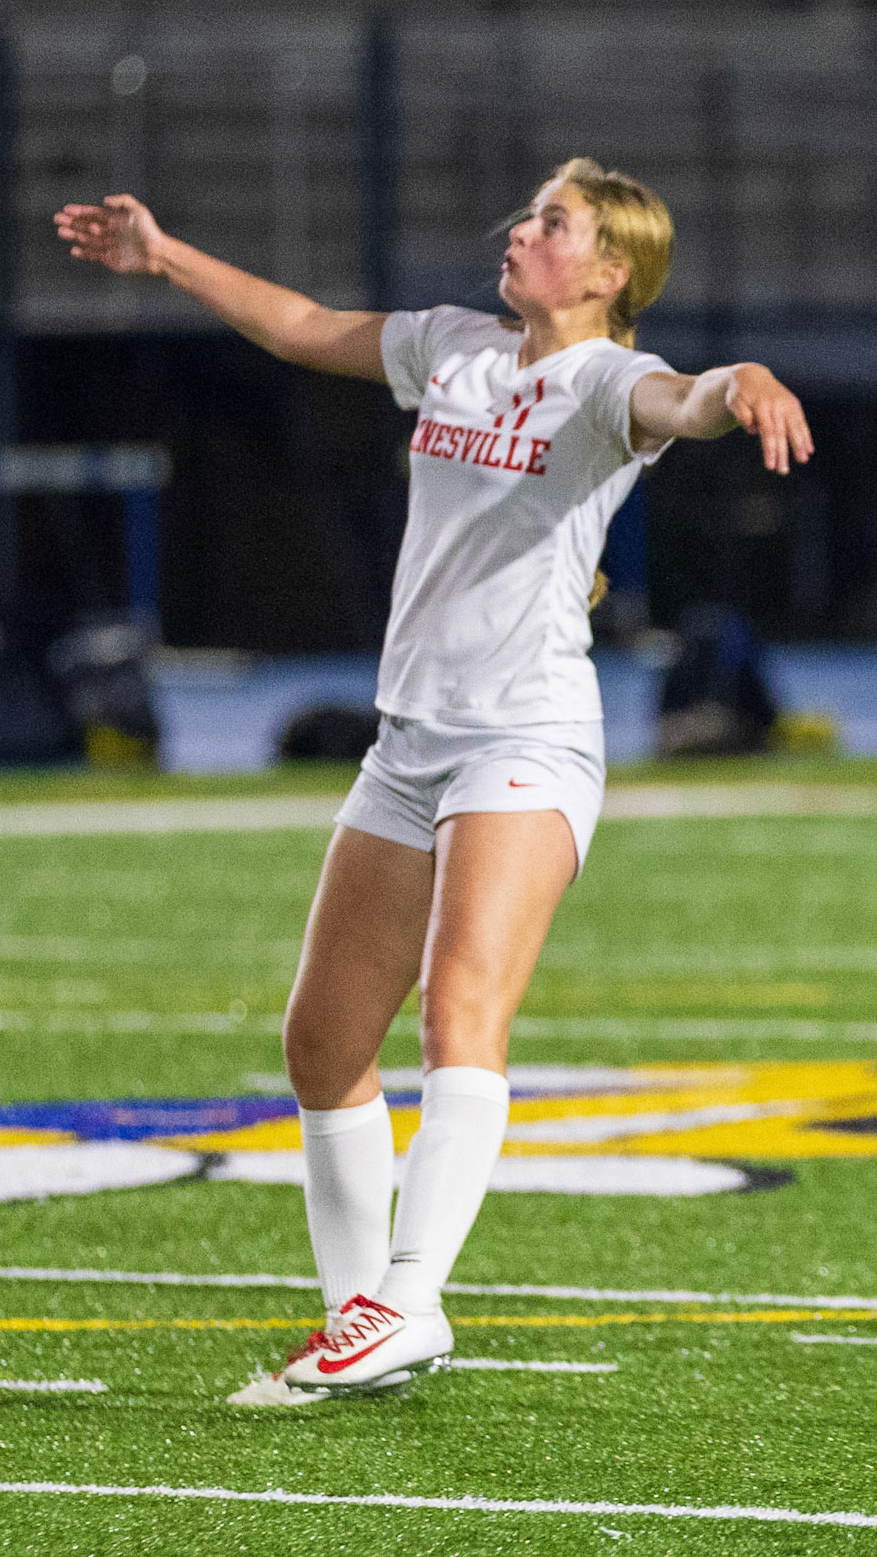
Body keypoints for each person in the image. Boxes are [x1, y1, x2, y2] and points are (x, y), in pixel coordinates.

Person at [54, 158, 812, 1404]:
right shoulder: (456, 346)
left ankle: (409, 1299)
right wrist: (165, 254)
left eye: (553, 221)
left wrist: (751, 379)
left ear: (610, 269)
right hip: (409, 742)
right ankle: (361, 1322)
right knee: (321, 1041)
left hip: (525, 737)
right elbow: (304, 325)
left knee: (461, 1013)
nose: (520, 229)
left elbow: (691, 398)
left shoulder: (604, 380)